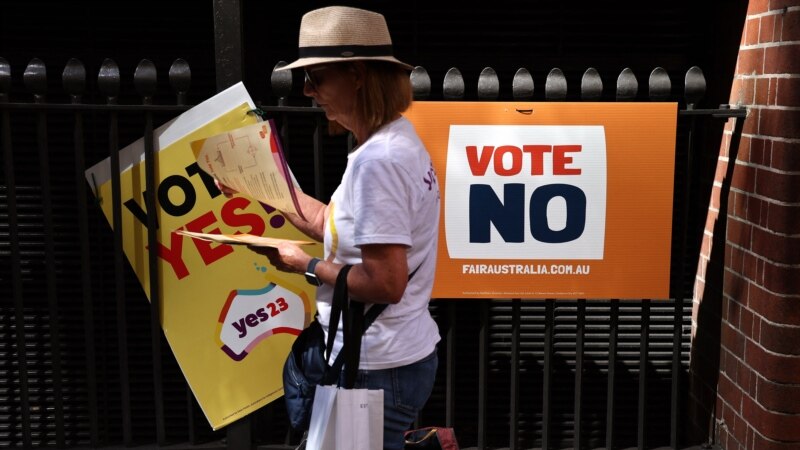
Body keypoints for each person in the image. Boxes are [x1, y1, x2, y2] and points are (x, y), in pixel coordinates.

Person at [217, 5, 440, 449]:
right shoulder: (393, 141)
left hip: (376, 367)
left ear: (356, 75)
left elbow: (385, 282)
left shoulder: (378, 162)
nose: (306, 91)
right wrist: (259, 190)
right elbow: (329, 222)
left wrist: (305, 264)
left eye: (316, 78)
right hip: (385, 361)